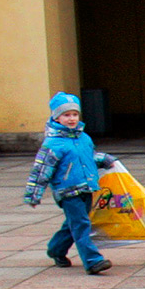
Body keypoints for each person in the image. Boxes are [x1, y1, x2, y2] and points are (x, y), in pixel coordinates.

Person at [22, 92, 118, 275]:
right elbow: (41, 170)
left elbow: (87, 159)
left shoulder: (84, 138)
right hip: (68, 191)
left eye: (74, 114)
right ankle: (93, 261)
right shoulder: (53, 143)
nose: (71, 119)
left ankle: (56, 250)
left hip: (87, 187)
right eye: (66, 115)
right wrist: (33, 195)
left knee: (73, 224)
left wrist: (104, 159)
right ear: (56, 117)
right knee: (81, 224)